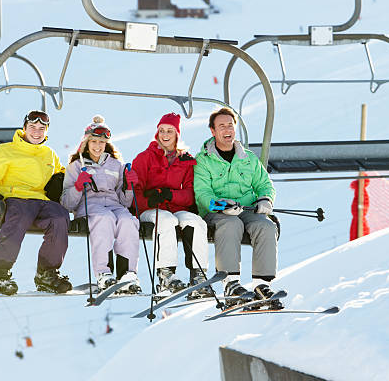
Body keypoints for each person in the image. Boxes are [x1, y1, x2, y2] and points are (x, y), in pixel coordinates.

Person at [0, 110, 72, 295]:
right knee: (21, 215)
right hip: (15, 200)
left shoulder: (49, 153)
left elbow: (59, 169)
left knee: (60, 217)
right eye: (32, 127)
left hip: (41, 202)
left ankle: (47, 274)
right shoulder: (6, 150)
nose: (37, 132)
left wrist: (59, 178)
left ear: (46, 131)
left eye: (41, 128)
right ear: (24, 128)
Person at [193, 107, 282, 308]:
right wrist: (221, 205)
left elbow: (264, 183)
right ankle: (230, 283)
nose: (227, 130)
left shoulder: (248, 158)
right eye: (221, 126)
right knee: (231, 224)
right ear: (213, 131)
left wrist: (265, 199)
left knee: (266, 226)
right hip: (217, 213)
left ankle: (262, 285)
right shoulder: (204, 160)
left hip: (247, 209)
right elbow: (202, 193)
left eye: (230, 125)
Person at [132, 113, 211, 298]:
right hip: (150, 210)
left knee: (195, 221)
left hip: (176, 209)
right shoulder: (145, 158)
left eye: (169, 130)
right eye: (161, 130)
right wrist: (148, 201)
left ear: (177, 134)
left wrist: (171, 195)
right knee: (166, 220)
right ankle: (165, 276)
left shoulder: (186, 160)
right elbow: (134, 190)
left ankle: (198, 275)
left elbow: (191, 194)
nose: (165, 134)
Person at [61, 115, 141, 294]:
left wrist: (129, 186)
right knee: (105, 219)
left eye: (101, 143)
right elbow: (67, 203)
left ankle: (127, 273)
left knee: (129, 221)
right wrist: (78, 186)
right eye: (94, 142)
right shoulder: (76, 166)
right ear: (87, 142)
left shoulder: (116, 165)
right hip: (90, 208)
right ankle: (104, 273)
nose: (98, 146)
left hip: (114, 206)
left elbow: (125, 202)